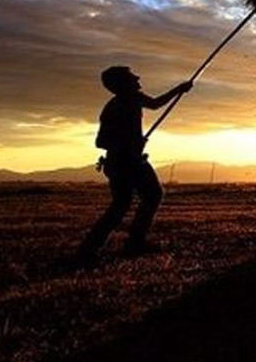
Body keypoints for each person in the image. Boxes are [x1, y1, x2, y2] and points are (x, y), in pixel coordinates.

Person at [77, 66, 192, 262]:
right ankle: (127, 245)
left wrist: (179, 89)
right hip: (123, 162)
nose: (138, 77)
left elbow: (156, 104)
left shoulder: (135, 99)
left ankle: (101, 247)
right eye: (132, 76)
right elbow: (101, 141)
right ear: (122, 84)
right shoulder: (114, 107)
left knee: (130, 202)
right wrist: (129, 142)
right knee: (141, 199)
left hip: (128, 161)